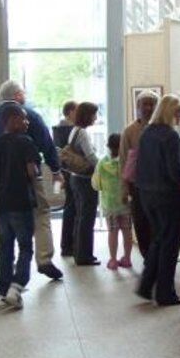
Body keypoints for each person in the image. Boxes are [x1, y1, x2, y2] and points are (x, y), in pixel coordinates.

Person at [0, 80, 63, 280]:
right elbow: (46, 144)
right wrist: (55, 170)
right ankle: (44, 258)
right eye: (23, 92)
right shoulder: (29, 115)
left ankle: (4, 264)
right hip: (27, 179)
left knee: (0, 220)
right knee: (41, 214)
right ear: (18, 95)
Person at [0, 105, 38, 309]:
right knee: (25, 247)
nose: (26, 122)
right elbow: (32, 171)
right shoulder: (26, 142)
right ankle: (17, 285)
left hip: (1, 204)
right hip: (21, 202)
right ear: (12, 120)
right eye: (23, 119)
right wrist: (35, 171)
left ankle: (2, 288)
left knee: (5, 248)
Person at [134, 94, 180, 306]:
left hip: (147, 194)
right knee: (170, 243)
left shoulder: (147, 133)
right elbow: (175, 171)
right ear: (171, 113)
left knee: (158, 239)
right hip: (168, 195)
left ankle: (146, 285)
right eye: (179, 113)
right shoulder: (170, 137)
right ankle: (165, 292)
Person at [120, 91, 159, 257]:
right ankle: (147, 258)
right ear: (138, 106)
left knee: (157, 225)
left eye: (152, 104)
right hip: (137, 186)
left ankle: (156, 259)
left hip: (159, 186)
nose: (148, 108)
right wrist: (124, 188)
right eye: (145, 104)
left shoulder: (162, 129)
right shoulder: (129, 131)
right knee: (141, 224)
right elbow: (123, 161)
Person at [91, 134, 133, 270]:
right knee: (127, 231)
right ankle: (127, 258)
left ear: (108, 146)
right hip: (125, 202)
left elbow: (96, 184)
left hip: (109, 204)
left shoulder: (102, 163)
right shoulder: (126, 162)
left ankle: (113, 260)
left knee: (112, 232)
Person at [68, 102, 100, 266]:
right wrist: (103, 167)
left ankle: (79, 252)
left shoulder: (74, 130)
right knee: (87, 218)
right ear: (87, 115)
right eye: (94, 114)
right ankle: (85, 255)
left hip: (75, 177)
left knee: (80, 216)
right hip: (85, 180)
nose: (96, 117)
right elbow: (91, 156)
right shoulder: (83, 133)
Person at [54, 100, 78, 256]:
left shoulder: (57, 130)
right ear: (70, 112)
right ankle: (68, 245)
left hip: (65, 171)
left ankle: (67, 244)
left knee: (70, 207)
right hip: (71, 172)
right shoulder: (68, 131)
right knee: (72, 207)